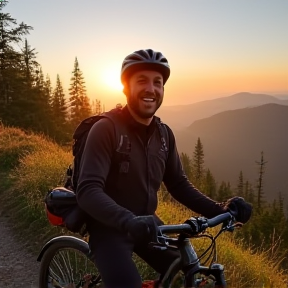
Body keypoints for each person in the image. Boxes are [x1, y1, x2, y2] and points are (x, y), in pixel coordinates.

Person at [76, 49, 252, 288]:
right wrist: (127, 221)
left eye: (157, 82)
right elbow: (88, 191)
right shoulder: (106, 129)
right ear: (126, 87)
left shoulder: (163, 135)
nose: (151, 89)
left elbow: (178, 184)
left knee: (184, 274)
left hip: (149, 225)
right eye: (141, 81)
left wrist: (222, 209)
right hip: (109, 228)